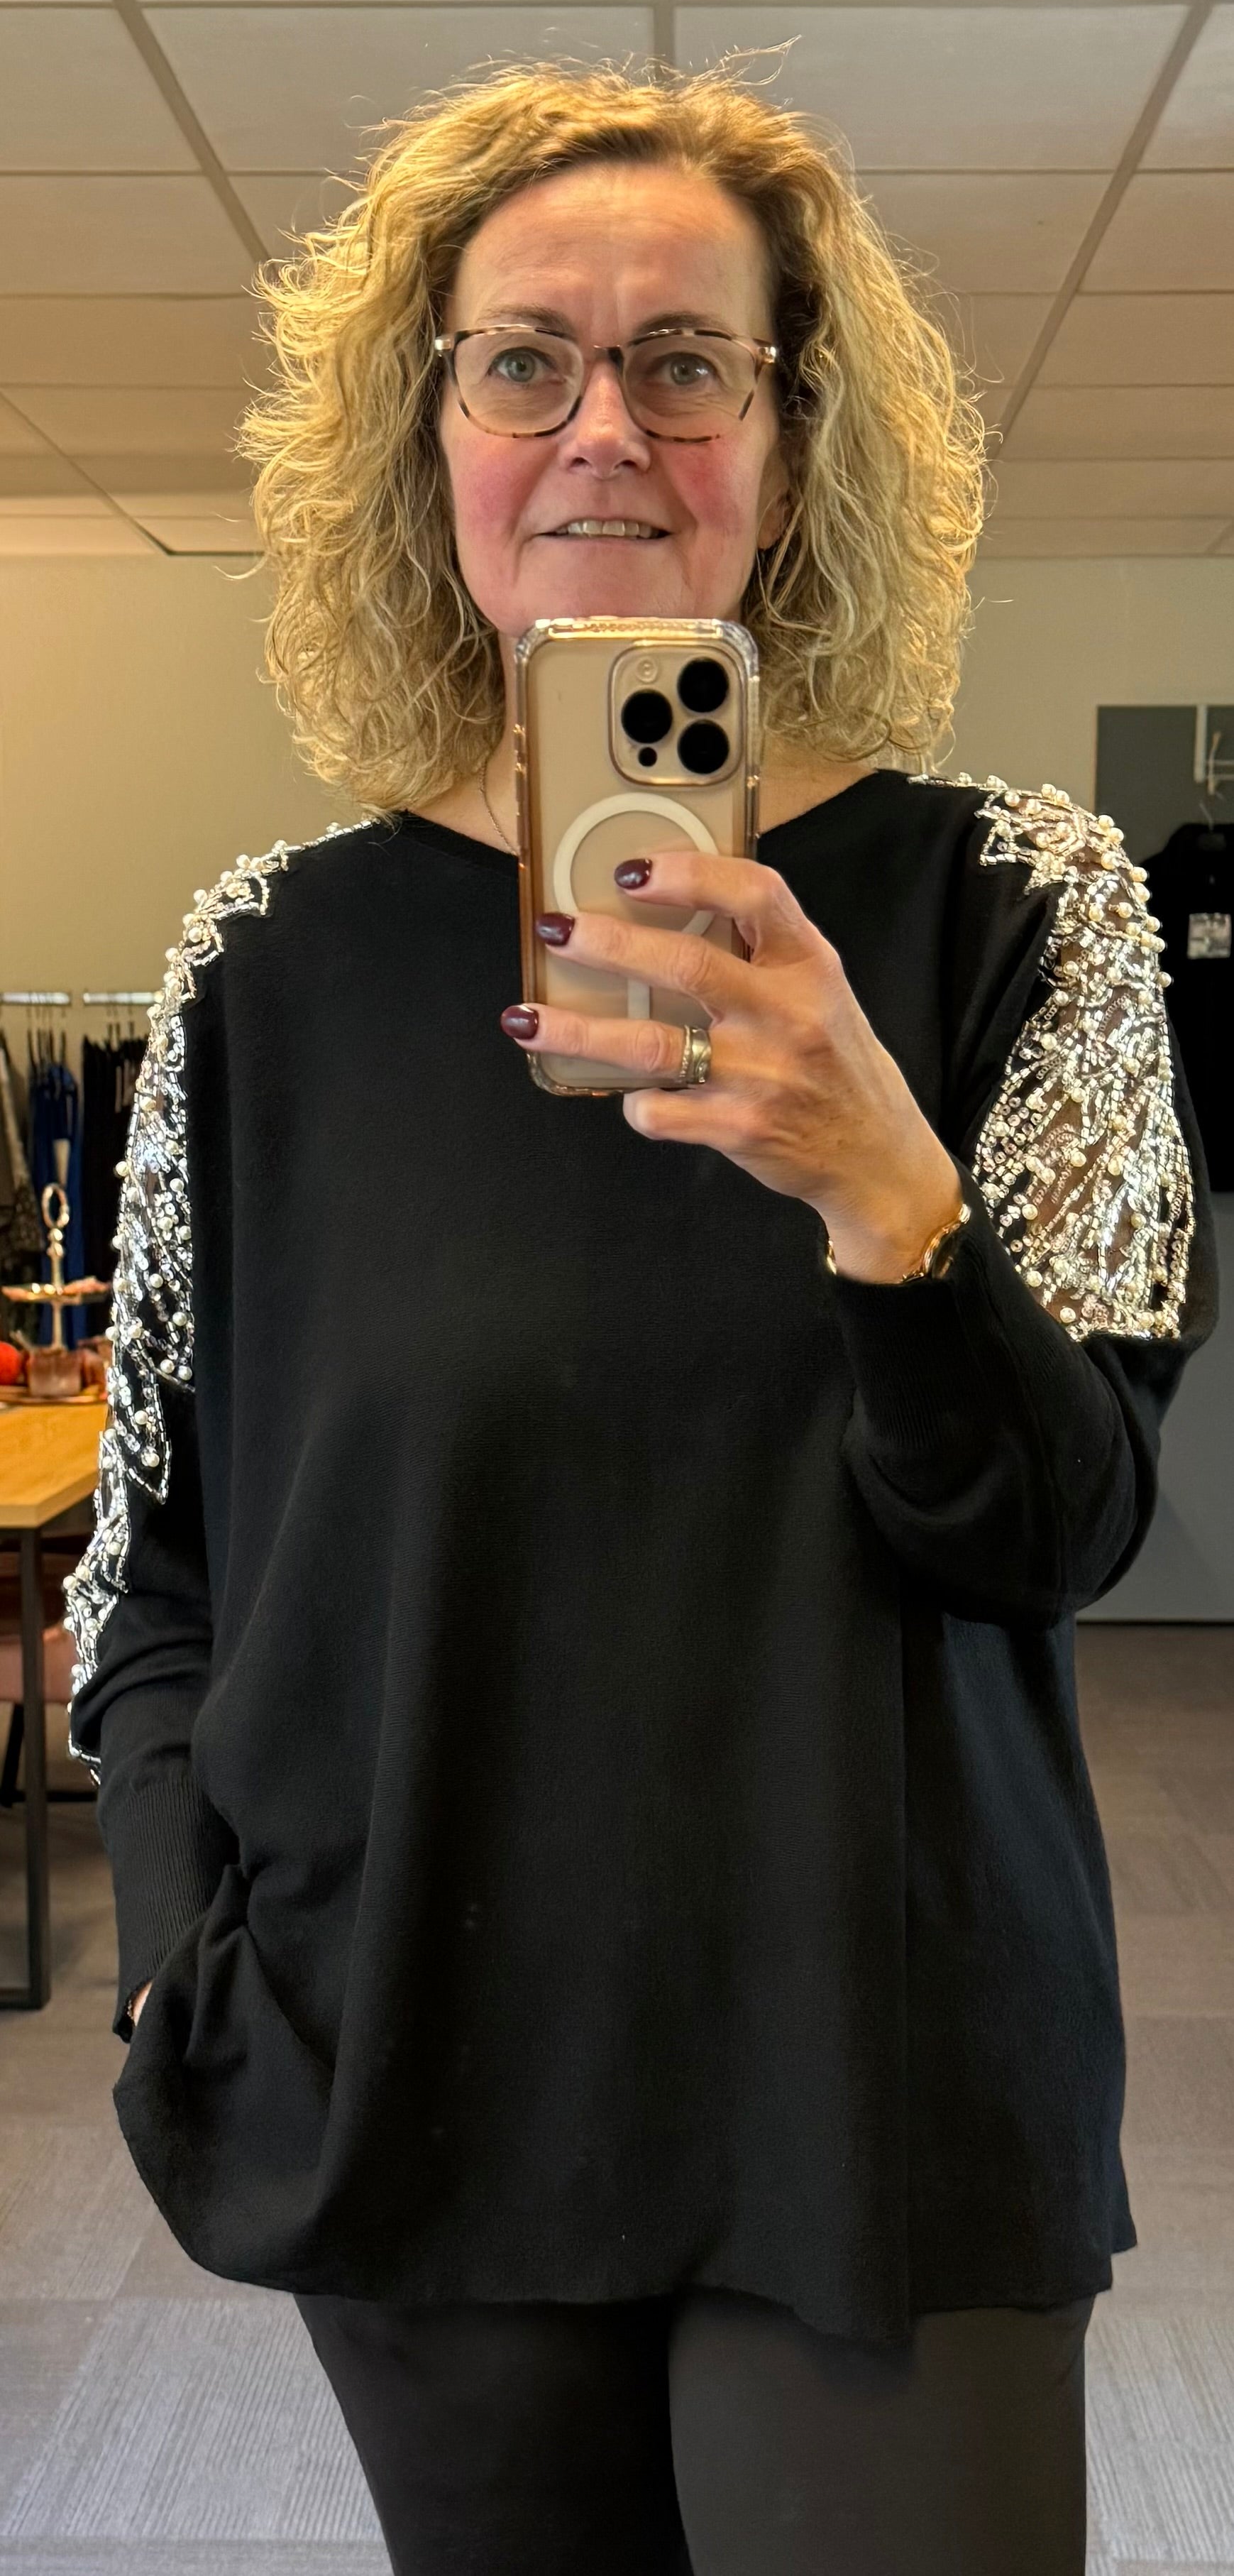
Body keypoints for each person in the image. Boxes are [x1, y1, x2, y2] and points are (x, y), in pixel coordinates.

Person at [64, 52, 1216, 2576]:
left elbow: (1057, 1534)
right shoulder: (263, 965)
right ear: (431, 441)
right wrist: (174, 1955)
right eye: (526, 361)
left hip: (877, 2069)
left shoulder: (1020, 907)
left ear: (790, 447)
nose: (607, 426)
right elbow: (153, 1556)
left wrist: (884, 1193)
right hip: (411, 2058)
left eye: (687, 360)